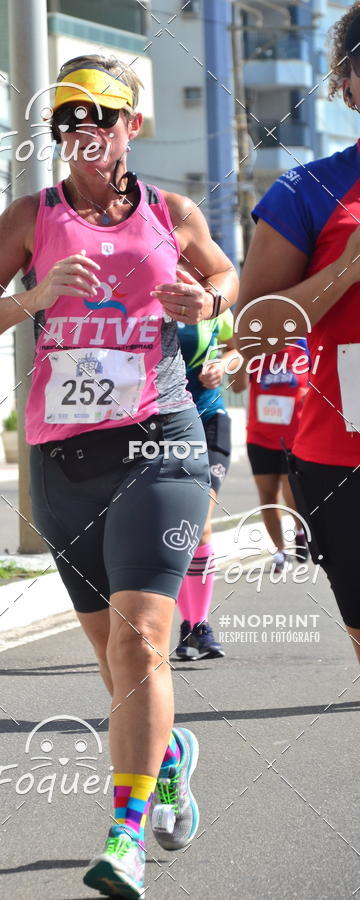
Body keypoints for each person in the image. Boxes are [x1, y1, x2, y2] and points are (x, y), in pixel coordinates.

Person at [0, 56, 237, 897]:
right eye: (70, 121)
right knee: (116, 667)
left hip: (161, 440)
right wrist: (29, 302)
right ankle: (170, 753)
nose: (85, 132)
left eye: (101, 118)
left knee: (142, 636)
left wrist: (209, 303)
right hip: (65, 458)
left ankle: (124, 836)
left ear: (130, 128)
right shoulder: (28, 219)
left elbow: (226, 274)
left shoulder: (171, 213)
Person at [238, 3, 360, 663]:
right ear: (345, 83)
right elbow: (252, 333)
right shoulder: (306, 192)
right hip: (343, 456)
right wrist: (344, 271)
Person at [175, 311, 240, 660]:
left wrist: (223, 366)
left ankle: (198, 625)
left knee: (200, 522)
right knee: (178, 527)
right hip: (164, 427)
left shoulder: (214, 303)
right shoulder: (146, 298)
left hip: (210, 419)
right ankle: (190, 626)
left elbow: (235, 348)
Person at [233, 342, 309, 573]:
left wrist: (309, 395)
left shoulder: (303, 349)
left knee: (292, 493)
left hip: (295, 437)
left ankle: (300, 530)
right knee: (267, 496)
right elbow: (237, 387)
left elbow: (320, 384)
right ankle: (279, 551)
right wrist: (246, 355)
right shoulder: (256, 351)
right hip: (260, 436)